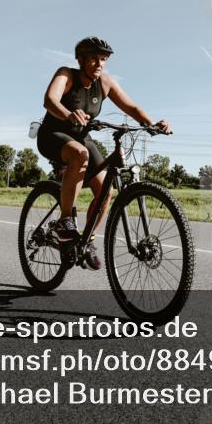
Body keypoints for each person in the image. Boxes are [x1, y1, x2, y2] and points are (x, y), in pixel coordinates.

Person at [37, 36, 170, 270]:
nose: (99, 64)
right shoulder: (67, 74)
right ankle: (65, 221)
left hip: (80, 137)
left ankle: (86, 242)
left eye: (103, 59)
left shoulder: (105, 83)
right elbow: (49, 100)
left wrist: (151, 124)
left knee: (105, 191)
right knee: (80, 155)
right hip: (52, 134)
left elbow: (131, 107)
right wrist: (68, 113)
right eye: (93, 59)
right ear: (80, 60)